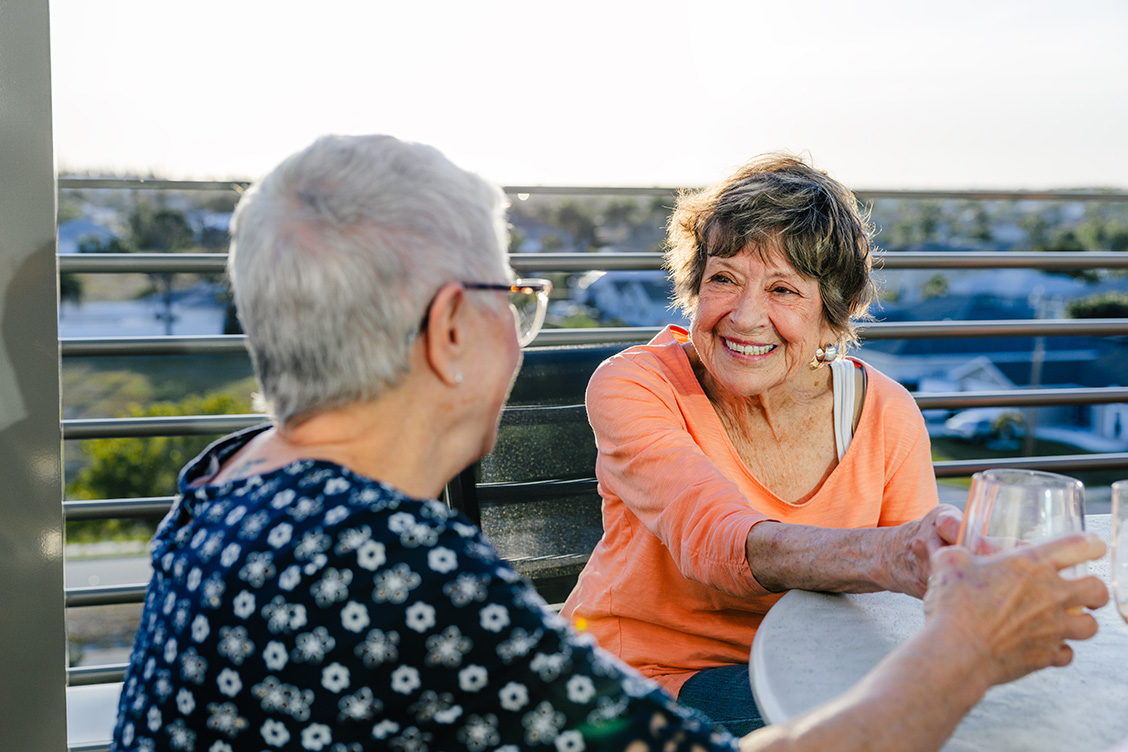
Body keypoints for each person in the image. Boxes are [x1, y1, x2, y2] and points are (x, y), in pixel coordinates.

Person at [109, 135, 1108, 752]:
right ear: (452, 329)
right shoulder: (405, 575)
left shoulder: (222, 492)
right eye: (515, 300)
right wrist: (966, 651)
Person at [561, 153, 953, 734]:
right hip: (639, 678)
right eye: (723, 279)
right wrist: (888, 555)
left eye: (783, 290)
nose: (745, 318)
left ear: (834, 315)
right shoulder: (636, 384)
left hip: (812, 671)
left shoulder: (884, 413)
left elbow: (910, 603)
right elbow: (714, 541)